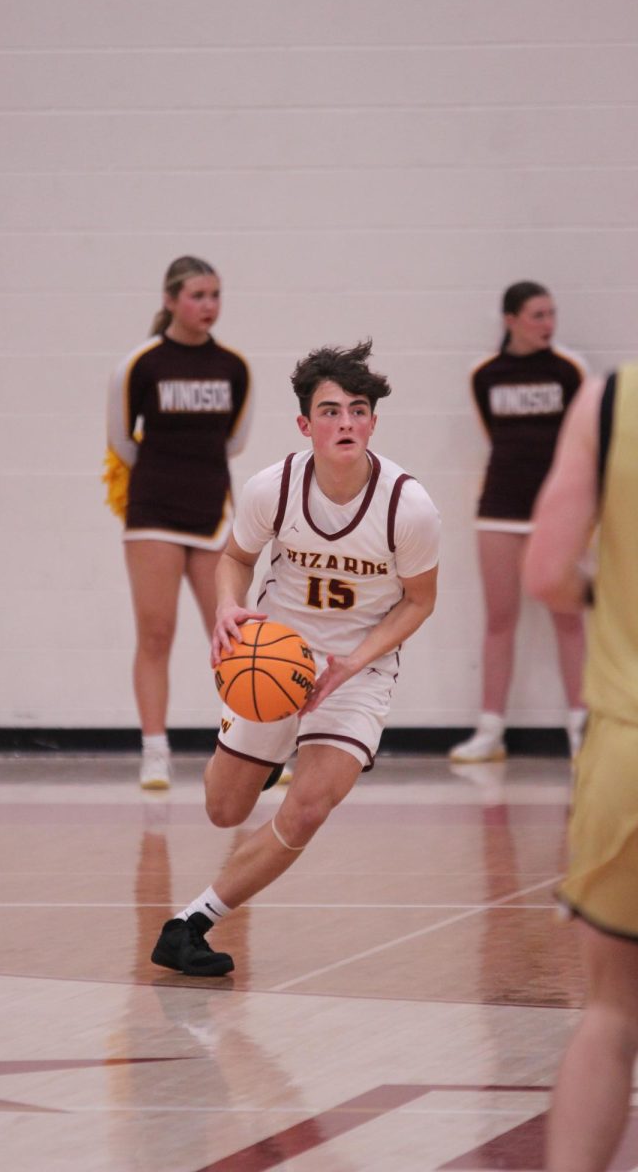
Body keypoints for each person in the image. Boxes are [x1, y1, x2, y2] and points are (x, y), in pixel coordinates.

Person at [149, 338, 441, 976]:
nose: (346, 423)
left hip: (357, 670)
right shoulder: (271, 488)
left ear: (373, 421)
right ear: (305, 424)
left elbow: (419, 601)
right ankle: (271, 747)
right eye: (331, 411)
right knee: (224, 808)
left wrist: (354, 662)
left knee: (307, 807)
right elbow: (234, 559)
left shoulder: (407, 505)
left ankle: (191, 923)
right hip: (276, 655)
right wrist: (229, 608)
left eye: (358, 410)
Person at [522, 170, 638, 1172]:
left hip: (631, 747)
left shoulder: (612, 400)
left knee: (608, 1019)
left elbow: (546, 570)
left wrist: (618, 599)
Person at [104, 256, 252, 790]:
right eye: (197, 295)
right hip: (153, 515)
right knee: (157, 633)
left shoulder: (234, 366)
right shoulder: (140, 365)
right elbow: (121, 441)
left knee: (233, 637)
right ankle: (155, 751)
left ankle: (249, 749)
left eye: (215, 295)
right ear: (169, 300)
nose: (208, 306)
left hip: (213, 512)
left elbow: (234, 440)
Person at [449, 282, 588, 763]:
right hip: (500, 507)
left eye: (552, 314)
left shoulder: (570, 370)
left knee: (568, 616)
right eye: (537, 315)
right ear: (510, 320)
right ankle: (491, 729)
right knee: (499, 618)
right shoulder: (484, 374)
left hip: (556, 509)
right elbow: (495, 436)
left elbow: (579, 440)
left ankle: (581, 726)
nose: (548, 324)